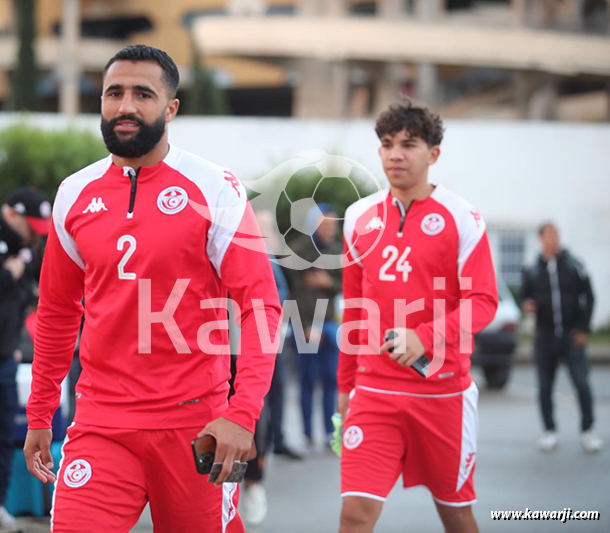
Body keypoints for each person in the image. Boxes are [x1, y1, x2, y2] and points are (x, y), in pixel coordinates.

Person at [23, 45, 281, 533]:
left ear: (171, 108)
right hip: (101, 424)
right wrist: (40, 413)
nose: (126, 106)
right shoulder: (74, 193)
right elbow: (58, 311)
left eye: (143, 94)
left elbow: (261, 307)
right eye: (114, 93)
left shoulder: (215, 189)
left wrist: (242, 414)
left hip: (195, 427)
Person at [337, 101, 498, 533]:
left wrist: (424, 338)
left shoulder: (463, 218)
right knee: (355, 514)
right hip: (373, 393)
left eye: (409, 144)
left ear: (433, 154)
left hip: (442, 395)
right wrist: (345, 386)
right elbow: (353, 307)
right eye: (387, 145)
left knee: (456, 515)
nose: (395, 155)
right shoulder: (358, 217)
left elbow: (484, 301)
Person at [521, 222, 602, 453]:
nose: (554, 238)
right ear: (541, 238)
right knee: (545, 387)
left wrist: (583, 329)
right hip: (544, 336)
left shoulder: (574, 265)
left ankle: (587, 430)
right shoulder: (532, 268)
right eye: (549, 234)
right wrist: (526, 306)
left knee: (582, 384)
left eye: (556, 234)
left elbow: (589, 297)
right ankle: (549, 431)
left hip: (571, 335)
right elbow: (524, 298)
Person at [0, 188, 50, 532]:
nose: (35, 236)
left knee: (4, 434)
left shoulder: (27, 251)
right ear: (12, 214)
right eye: (30, 227)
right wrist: (11, 271)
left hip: (5, 356)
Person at [289, 204, 342, 449]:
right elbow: (293, 293)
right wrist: (306, 325)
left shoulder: (338, 251)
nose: (330, 229)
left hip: (330, 324)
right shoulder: (299, 251)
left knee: (333, 380)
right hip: (306, 325)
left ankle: (331, 432)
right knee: (308, 381)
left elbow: (345, 283)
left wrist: (326, 281)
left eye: (333, 225)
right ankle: (308, 434)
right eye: (326, 224)